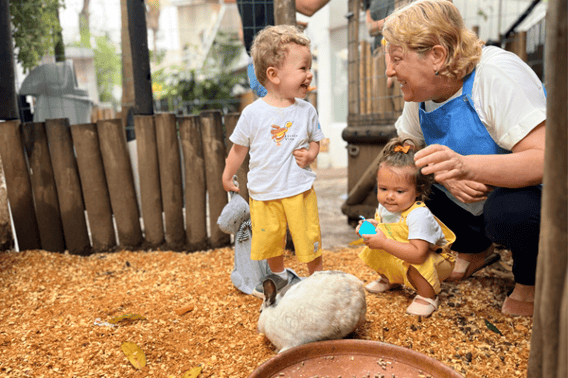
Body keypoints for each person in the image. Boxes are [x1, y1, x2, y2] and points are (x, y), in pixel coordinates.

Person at [381, 0, 546, 317]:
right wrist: (442, 174)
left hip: (536, 194)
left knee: (511, 212)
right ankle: (474, 250)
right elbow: (404, 147)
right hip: (478, 198)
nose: (389, 70)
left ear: (437, 56)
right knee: (409, 185)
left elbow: (545, 160)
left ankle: (532, 279)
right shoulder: (421, 94)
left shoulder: (495, 75)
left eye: (397, 59)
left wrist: (465, 165)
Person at [222, 25, 325, 299]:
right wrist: (227, 175)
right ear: (273, 75)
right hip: (264, 193)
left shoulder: (307, 111)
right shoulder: (253, 114)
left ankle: (318, 278)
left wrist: (311, 154)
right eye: (302, 68)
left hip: (299, 190)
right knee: (270, 241)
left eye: (309, 67)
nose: (309, 74)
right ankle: (278, 276)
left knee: (308, 237)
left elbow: (316, 140)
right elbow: (237, 150)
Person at [357, 137, 456, 317]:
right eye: (383, 189)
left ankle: (428, 296)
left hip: (435, 259)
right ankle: (390, 280)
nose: (389, 197)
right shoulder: (386, 207)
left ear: (418, 191)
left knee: (416, 262)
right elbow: (386, 227)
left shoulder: (418, 215)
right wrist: (370, 226)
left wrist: (384, 242)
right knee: (376, 250)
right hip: (404, 249)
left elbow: (418, 254)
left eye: (399, 191)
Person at [236, 0, 331, 97]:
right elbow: (308, 6)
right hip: (278, 64)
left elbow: (241, 34)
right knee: (290, 109)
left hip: (255, 65)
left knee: (270, 109)